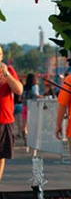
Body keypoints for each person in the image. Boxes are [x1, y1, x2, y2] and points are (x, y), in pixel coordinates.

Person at [0, 46, 23, 184]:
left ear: (1, 56)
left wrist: (6, 74)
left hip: (4, 120)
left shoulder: (9, 71)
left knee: (1, 156)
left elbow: (19, 90)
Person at [19, 73, 39, 147]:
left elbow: (20, 98)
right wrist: (43, 96)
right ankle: (31, 140)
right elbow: (36, 95)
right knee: (32, 124)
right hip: (32, 107)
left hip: (24, 106)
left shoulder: (24, 87)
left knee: (25, 124)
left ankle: (26, 139)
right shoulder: (34, 86)